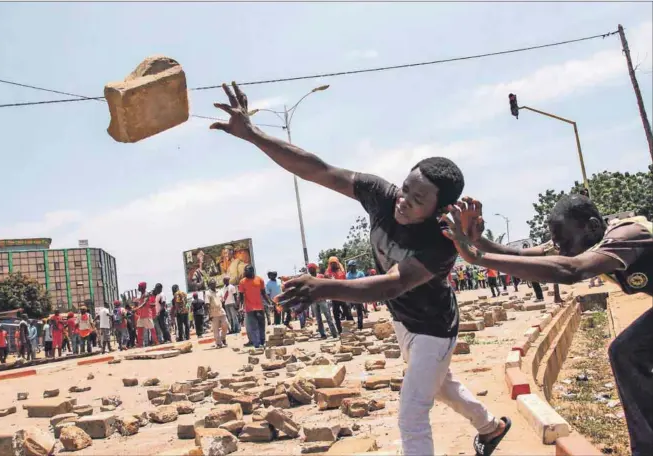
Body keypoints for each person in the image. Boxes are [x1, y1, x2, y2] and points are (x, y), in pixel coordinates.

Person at [213, 83, 509, 456]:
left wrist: (321, 286)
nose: (403, 201)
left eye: (417, 200)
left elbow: (389, 286)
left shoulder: (440, 243)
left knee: (413, 411)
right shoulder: (380, 195)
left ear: (438, 209)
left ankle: (488, 427)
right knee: (441, 385)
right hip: (405, 323)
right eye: (405, 189)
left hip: (434, 328)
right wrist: (253, 134)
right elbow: (317, 170)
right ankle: (492, 427)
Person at [444, 194, 653, 456]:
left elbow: (572, 270)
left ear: (592, 227)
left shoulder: (629, 235)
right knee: (626, 353)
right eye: (556, 243)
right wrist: (477, 240)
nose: (560, 250)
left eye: (564, 242)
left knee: (626, 352)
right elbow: (518, 255)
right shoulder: (583, 241)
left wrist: (476, 256)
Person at [238, 264, 270, 348]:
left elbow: (263, 293)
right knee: (254, 327)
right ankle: (256, 344)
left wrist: (270, 302)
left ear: (252, 271)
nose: (246, 273)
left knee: (261, 326)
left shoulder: (260, 280)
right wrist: (240, 307)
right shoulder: (242, 282)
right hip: (250, 309)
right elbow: (241, 296)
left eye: (247, 271)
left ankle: (262, 342)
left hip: (260, 307)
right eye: (245, 271)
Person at [307, 263, 338, 339]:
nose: (310, 270)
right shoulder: (308, 278)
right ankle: (322, 334)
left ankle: (334, 333)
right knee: (318, 318)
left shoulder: (320, 276)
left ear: (314, 269)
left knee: (328, 316)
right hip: (314, 301)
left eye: (312, 269)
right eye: (309, 269)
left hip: (322, 300)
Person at [324, 256, 350, 333]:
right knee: (336, 314)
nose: (333, 265)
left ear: (337, 263)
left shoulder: (342, 271)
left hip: (343, 295)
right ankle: (340, 330)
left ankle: (350, 328)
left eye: (334, 263)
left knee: (347, 312)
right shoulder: (328, 273)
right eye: (331, 263)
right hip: (334, 297)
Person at [205, 279, 229, 348]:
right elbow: (207, 305)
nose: (214, 285)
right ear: (209, 285)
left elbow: (223, 302)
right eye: (212, 284)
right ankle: (218, 343)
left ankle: (223, 338)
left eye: (214, 283)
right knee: (216, 329)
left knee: (226, 325)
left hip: (221, 311)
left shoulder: (219, 291)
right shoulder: (207, 293)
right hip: (213, 312)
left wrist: (225, 310)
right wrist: (209, 315)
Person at [134, 282, 158, 347]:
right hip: (141, 315)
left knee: (152, 329)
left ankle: (156, 342)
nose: (138, 288)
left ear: (142, 287)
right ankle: (140, 344)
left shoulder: (146, 294)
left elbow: (144, 303)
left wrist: (136, 308)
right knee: (139, 330)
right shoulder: (142, 295)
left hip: (147, 315)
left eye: (139, 286)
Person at [346, 260, 366, 330]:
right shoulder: (347, 275)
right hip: (350, 296)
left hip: (359, 295)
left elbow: (364, 283)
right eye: (349, 266)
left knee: (359, 311)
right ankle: (352, 323)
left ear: (354, 266)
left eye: (351, 266)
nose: (350, 268)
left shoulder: (360, 273)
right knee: (347, 309)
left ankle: (360, 326)